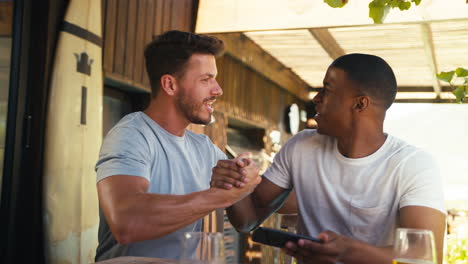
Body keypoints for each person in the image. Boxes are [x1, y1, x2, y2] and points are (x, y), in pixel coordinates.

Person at [211, 53, 446, 264]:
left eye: (327, 89)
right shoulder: (301, 146)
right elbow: (247, 221)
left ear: (359, 103)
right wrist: (232, 182)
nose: (316, 98)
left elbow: (425, 255)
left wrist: (346, 251)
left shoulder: (413, 165)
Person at [94, 30, 260, 261]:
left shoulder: (205, 148)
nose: (217, 90)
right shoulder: (131, 135)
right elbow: (127, 222)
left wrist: (245, 177)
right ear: (170, 85)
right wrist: (222, 196)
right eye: (205, 79)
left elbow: (246, 221)